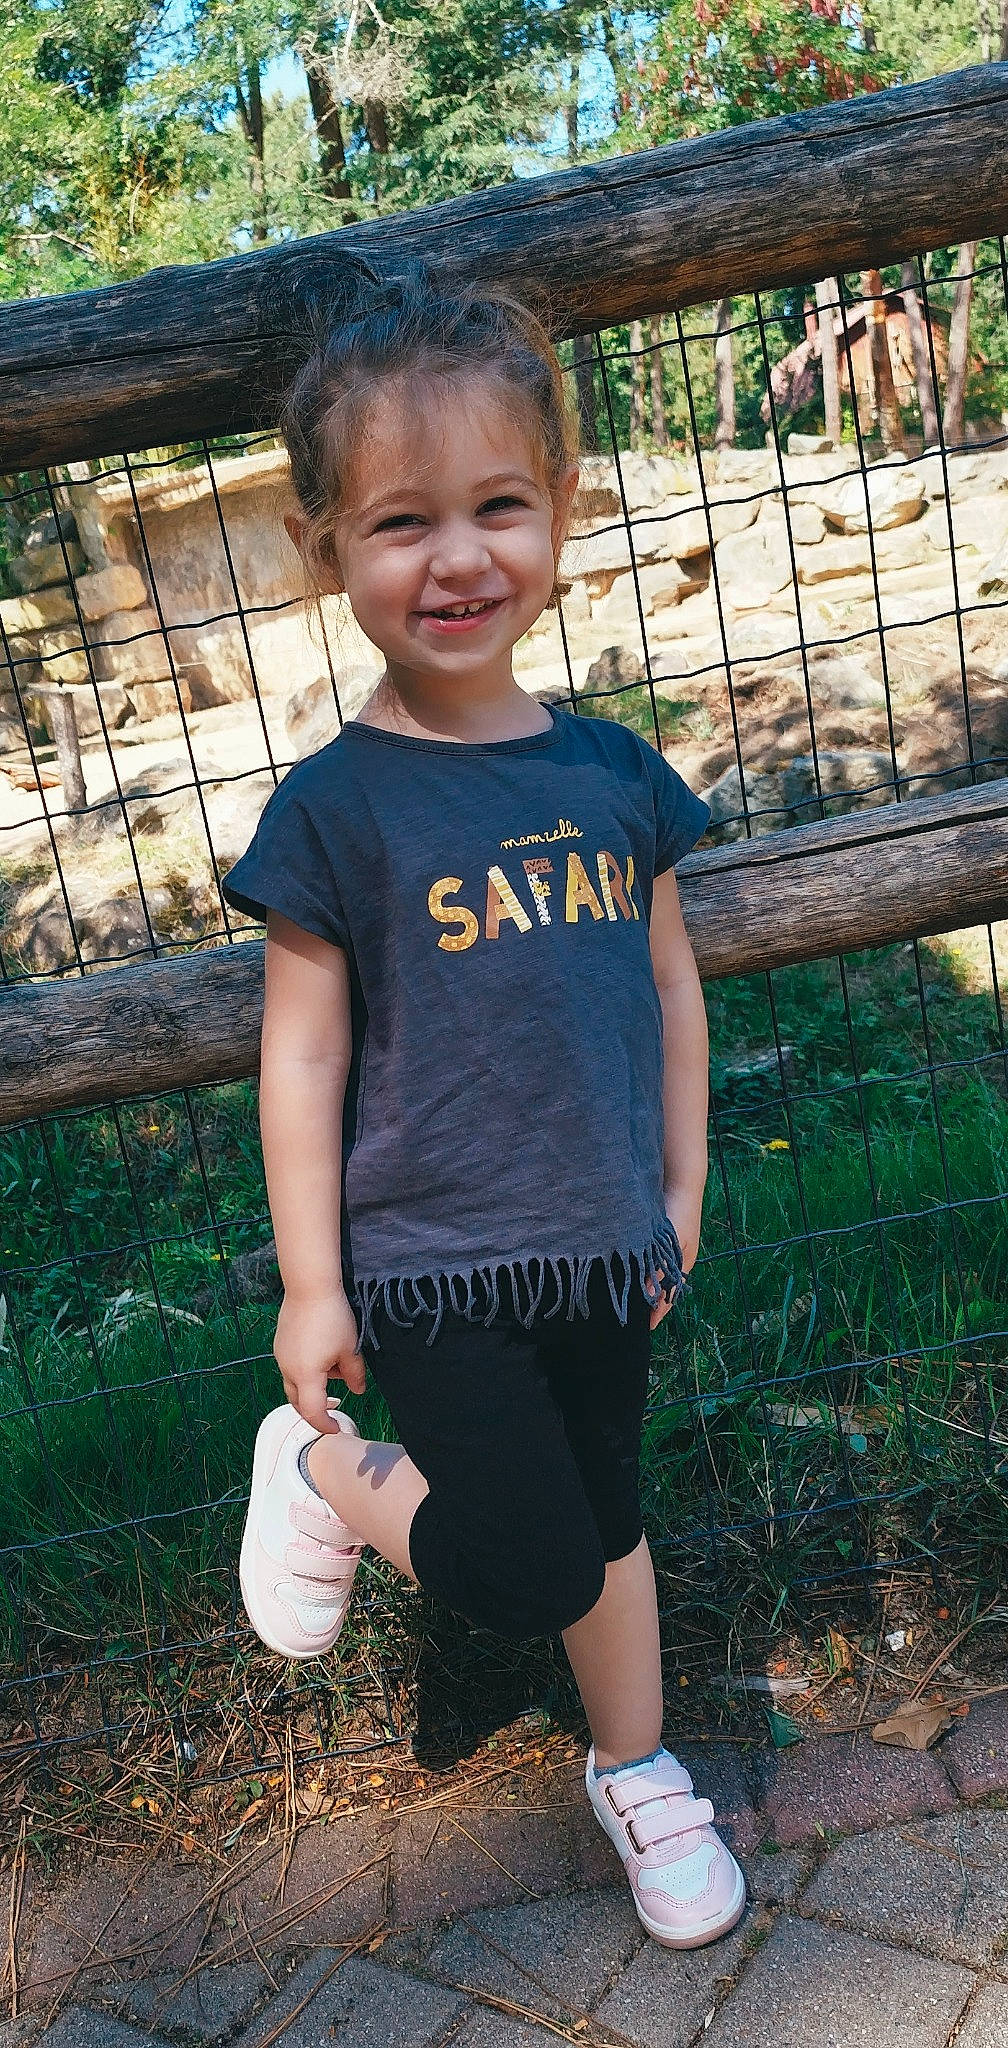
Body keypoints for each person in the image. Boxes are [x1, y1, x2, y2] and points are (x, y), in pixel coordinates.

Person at [221, 258, 746, 1952]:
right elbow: (299, 1058)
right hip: (437, 1264)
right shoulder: (340, 810)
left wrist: (682, 1190)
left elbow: (670, 987)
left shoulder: (610, 775)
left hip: (607, 1245)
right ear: (327, 554)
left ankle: (639, 1766)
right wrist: (314, 1286)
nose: (458, 557)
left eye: (498, 506)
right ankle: (319, 1469)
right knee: (522, 1561)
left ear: (562, 513)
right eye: (400, 523)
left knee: (608, 1515)